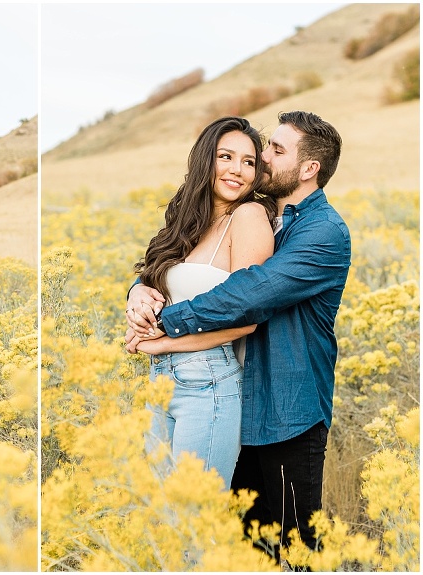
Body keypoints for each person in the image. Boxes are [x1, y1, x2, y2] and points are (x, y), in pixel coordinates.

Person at [127, 111, 350, 559]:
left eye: (273, 151)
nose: (261, 161)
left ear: (310, 169)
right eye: (249, 154)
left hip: (289, 412)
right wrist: (138, 293)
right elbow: (172, 270)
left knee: (296, 551)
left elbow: (248, 295)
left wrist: (165, 326)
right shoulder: (269, 218)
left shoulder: (324, 232)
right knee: (245, 550)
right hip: (240, 402)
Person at [125, 116, 276, 491]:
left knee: (192, 523)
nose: (237, 170)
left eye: (249, 162)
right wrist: (137, 291)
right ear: (205, 159)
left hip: (208, 384)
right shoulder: (187, 221)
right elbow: (163, 280)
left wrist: (161, 342)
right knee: (161, 516)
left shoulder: (248, 216)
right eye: (226, 156)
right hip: (160, 381)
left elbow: (246, 317)